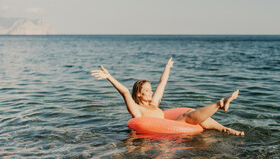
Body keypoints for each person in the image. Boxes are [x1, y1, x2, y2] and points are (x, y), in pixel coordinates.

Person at [91, 57, 244, 136]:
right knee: (186, 116)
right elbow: (124, 92)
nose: (151, 92)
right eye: (147, 90)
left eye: (151, 90)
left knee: (192, 115)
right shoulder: (137, 110)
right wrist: (109, 76)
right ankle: (219, 104)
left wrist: (167, 67)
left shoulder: (154, 103)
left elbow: (162, 83)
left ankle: (225, 129)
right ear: (139, 94)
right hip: (162, 133)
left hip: (171, 126)